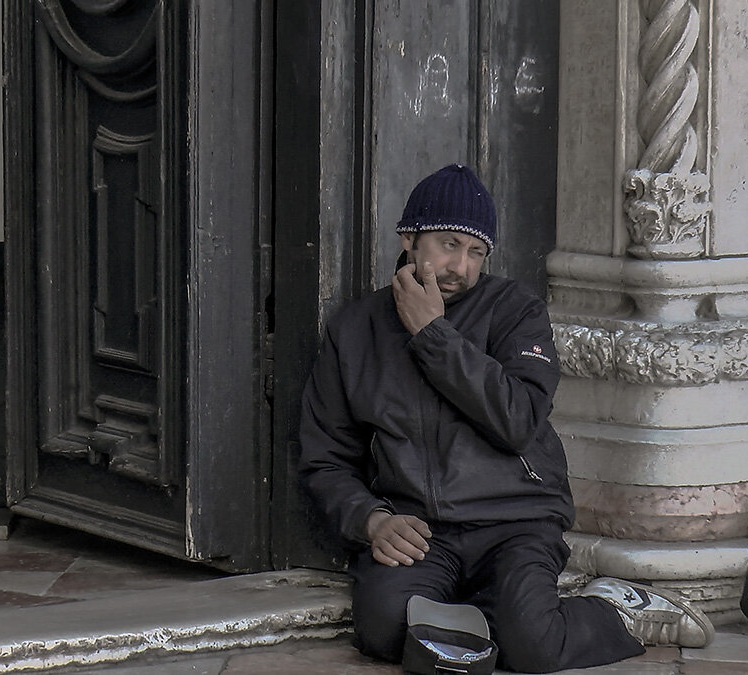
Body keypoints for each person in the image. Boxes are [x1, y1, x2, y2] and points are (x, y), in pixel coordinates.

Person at [299, 164, 714, 673]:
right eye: (449, 244)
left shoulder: (515, 311)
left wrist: (433, 336)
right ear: (410, 238)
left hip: (515, 521)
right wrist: (371, 519)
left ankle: (616, 611)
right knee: (383, 628)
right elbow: (326, 459)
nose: (461, 267)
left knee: (535, 648)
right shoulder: (354, 330)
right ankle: (495, 614)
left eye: (476, 253)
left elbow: (518, 419)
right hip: (421, 530)